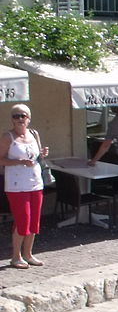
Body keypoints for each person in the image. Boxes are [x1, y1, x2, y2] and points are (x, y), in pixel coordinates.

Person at [3, 104, 50, 268]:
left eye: (23, 116)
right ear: (12, 119)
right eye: (16, 116)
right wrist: (19, 162)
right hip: (16, 185)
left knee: (34, 221)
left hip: (35, 182)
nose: (20, 119)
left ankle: (28, 254)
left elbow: (37, 158)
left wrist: (42, 154)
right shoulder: (8, 137)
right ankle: (16, 256)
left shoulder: (34, 134)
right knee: (22, 220)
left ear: (28, 118)